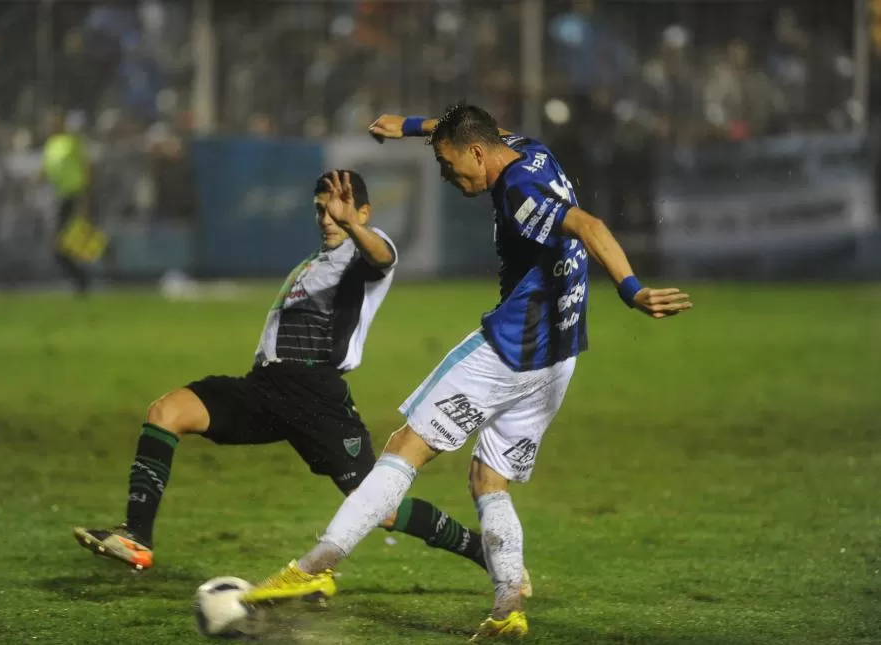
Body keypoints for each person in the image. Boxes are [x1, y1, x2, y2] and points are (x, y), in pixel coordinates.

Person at [240, 105, 693, 641]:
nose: (446, 177)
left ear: (477, 154)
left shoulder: (520, 193)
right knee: (488, 479)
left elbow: (589, 225)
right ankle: (507, 606)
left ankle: (311, 569)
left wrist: (631, 289)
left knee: (404, 447)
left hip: (508, 351)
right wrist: (410, 128)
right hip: (559, 356)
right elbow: (464, 124)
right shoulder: (529, 149)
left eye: (450, 166)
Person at [73, 169, 530, 593]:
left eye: (339, 207)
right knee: (166, 412)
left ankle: (482, 551)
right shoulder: (313, 263)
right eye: (321, 207)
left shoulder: (361, 251)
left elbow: (384, 257)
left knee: (378, 507)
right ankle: (137, 536)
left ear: (362, 212)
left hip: (315, 394)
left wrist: (354, 227)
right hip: (264, 388)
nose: (328, 216)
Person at [40, 106, 94, 295]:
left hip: (73, 196)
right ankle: (82, 279)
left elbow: (86, 168)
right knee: (63, 244)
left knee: (64, 243)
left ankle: (83, 279)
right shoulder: (50, 146)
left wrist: (84, 197)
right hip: (59, 198)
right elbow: (46, 172)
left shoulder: (72, 142)